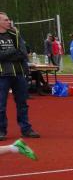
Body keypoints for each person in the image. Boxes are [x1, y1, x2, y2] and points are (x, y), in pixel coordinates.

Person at [0, 12, 40, 141]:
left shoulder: (15, 34)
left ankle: (26, 129)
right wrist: (13, 51)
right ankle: (1, 131)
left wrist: (8, 54)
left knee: (22, 103)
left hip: (19, 73)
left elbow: (24, 52)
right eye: (6, 20)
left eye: (9, 19)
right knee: (1, 105)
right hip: (2, 75)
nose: (9, 22)